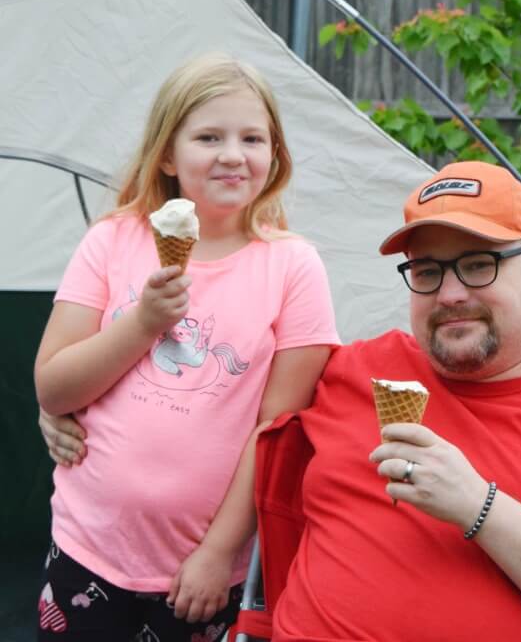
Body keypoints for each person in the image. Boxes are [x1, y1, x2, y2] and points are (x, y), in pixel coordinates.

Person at [45, 160, 521, 642]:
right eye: (427, 269)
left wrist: (480, 506)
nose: (449, 292)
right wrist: (69, 407)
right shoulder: (355, 371)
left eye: (479, 263)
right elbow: (218, 392)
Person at [33, 53, 339, 642]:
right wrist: (143, 323)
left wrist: (218, 553)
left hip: (201, 573)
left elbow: (278, 428)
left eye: (253, 137)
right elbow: (53, 384)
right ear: (168, 154)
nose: (233, 153)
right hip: (86, 546)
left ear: (275, 155)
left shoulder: (292, 266)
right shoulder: (114, 240)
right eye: (208, 136)